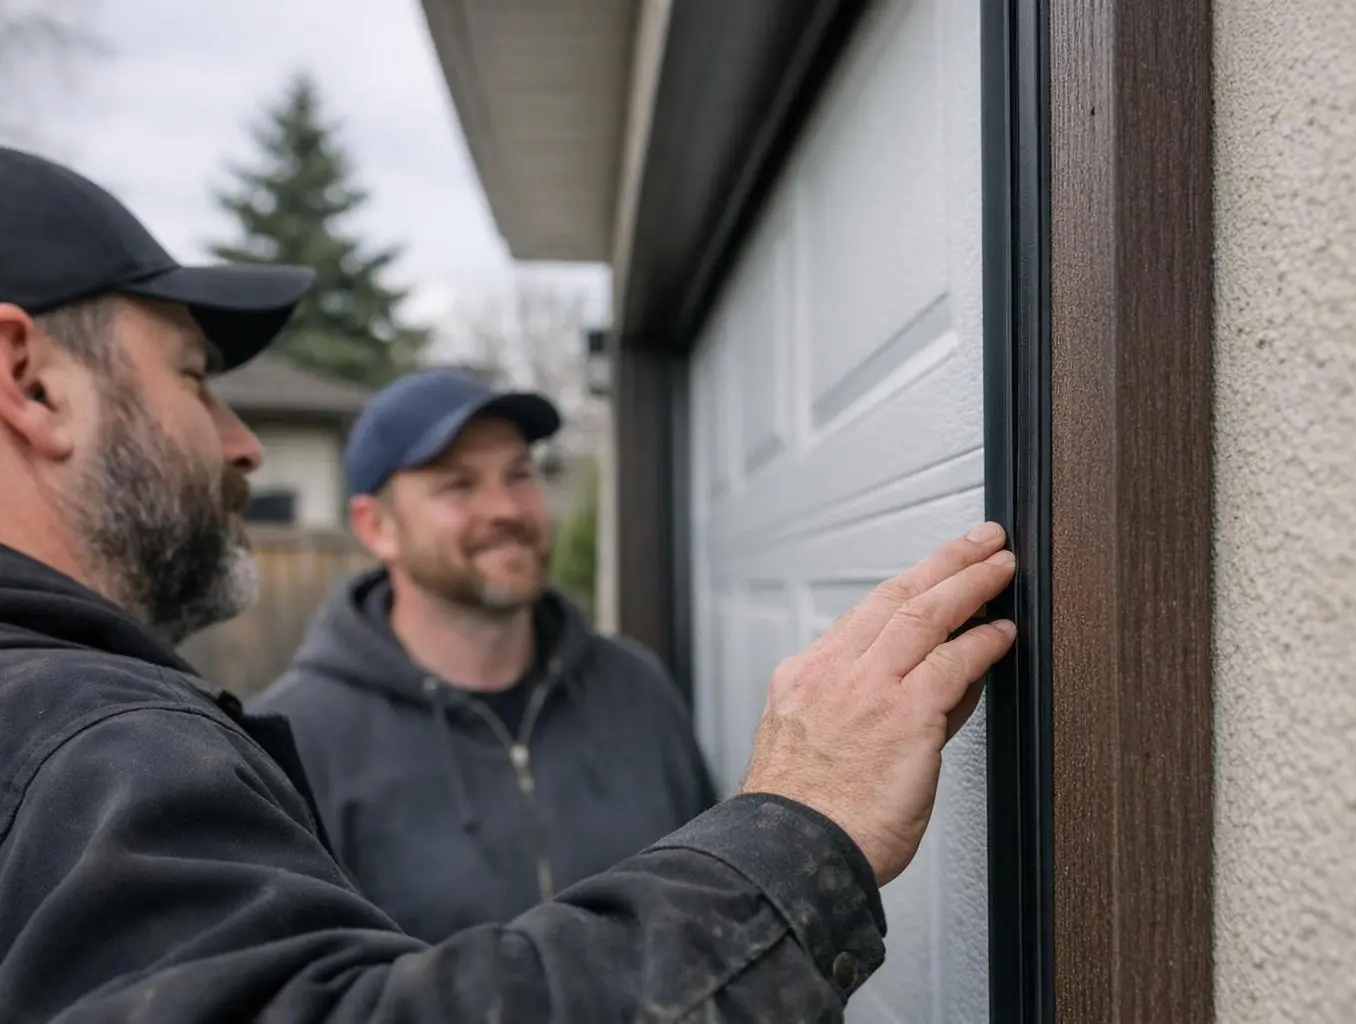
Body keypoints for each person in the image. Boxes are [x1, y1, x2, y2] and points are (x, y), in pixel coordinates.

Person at [0, 143, 1018, 1022]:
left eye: (520, 473)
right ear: (31, 382)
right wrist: (800, 832)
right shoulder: (161, 742)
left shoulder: (634, 686)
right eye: (192, 374)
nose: (243, 443)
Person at [250, 368, 718, 940]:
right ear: (377, 527)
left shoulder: (636, 687)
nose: (506, 509)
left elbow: (713, 902)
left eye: (519, 474)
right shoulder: (293, 742)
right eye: (459, 485)